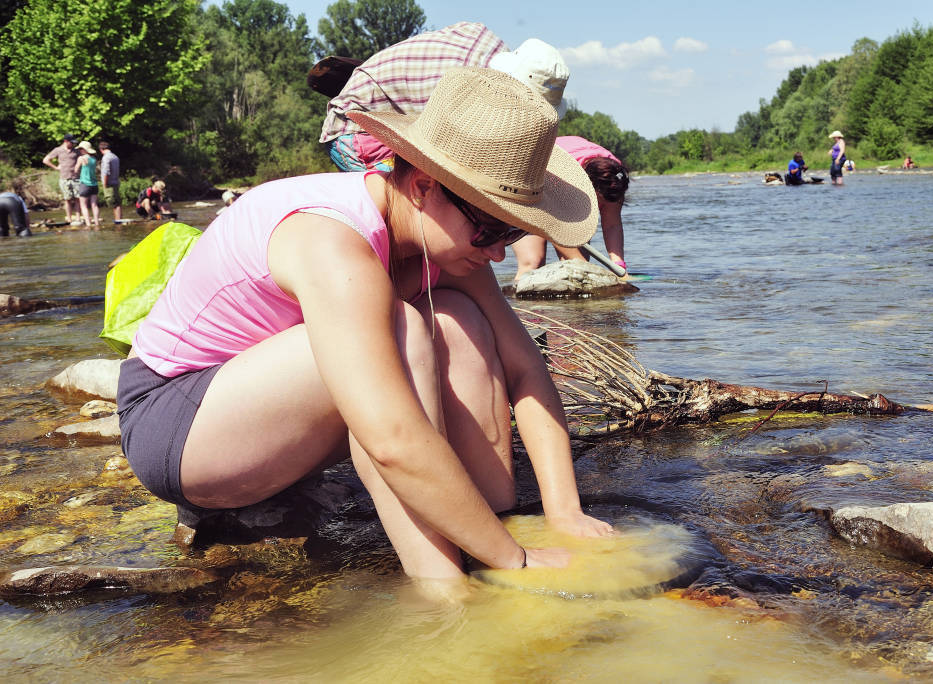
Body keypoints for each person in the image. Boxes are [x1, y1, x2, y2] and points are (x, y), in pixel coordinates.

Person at [117, 67, 613, 581]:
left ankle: (495, 519)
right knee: (403, 331)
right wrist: (515, 559)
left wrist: (563, 514)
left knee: (459, 318)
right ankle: (444, 591)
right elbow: (391, 439)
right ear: (423, 186)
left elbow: (525, 369)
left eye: (511, 232)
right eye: (489, 228)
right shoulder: (332, 240)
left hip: (272, 415)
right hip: (176, 427)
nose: (498, 253)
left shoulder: (444, 240)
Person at [318, 22, 569, 172]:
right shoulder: (469, 91)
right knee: (417, 209)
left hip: (384, 112)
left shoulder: (487, 43)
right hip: (357, 128)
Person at [512, 136, 629, 280]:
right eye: (598, 201)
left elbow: (612, 225)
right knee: (532, 263)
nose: (600, 206)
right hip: (527, 185)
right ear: (587, 187)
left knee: (575, 269)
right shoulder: (563, 176)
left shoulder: (614, 178)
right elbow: (551, 224)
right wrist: (584, 267)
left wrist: (619, 265)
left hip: (570, 196)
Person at [41, 134, 82, 224]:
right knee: (67, 199)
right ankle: (69, 218)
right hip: (64, 178)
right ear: (66, 141)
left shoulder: (76, 151)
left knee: (77, 199)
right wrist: (56, 168)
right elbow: (45, 160)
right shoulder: (58, 150)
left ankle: (78, 218)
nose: (73, 144)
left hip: (76, 178)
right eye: (71, 142)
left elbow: (82, 160)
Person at [74, 140, 101, 230]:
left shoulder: (81, 158)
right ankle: (96, 223)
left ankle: (88, 224)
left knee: (84, 205)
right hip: (94, 184)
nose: (80, 150)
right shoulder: (94, 159)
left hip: (84, 184)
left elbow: (76, 170)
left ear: (84, 149)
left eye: (81, 149)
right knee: (94, 205)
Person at [99, 142, 122, 221]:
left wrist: (104, 184)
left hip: (109, 184)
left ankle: (118, 220)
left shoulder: (106, 158)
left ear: (101, 149)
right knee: (117, 203)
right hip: (116, 182)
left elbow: (106, 172)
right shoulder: (115, 157)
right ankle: (119, 220)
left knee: (113, 203)